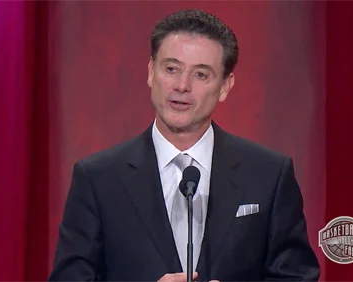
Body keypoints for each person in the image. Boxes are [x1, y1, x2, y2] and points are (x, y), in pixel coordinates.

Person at [48, 9, 320, 282]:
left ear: (225, 86)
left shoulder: (268, 175)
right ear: (151, 72)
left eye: (201, 75)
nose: (182, 86)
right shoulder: (98, 178)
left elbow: (297, 277)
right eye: (171, 69)